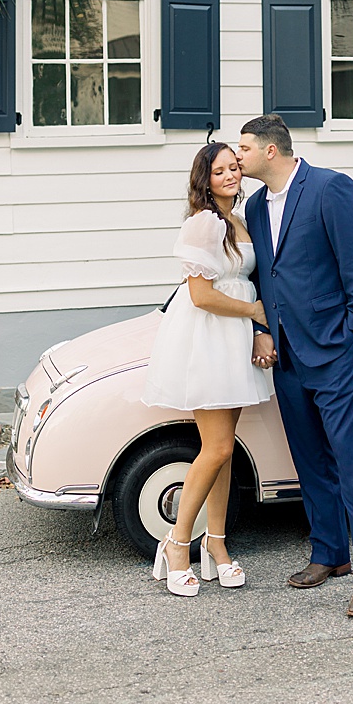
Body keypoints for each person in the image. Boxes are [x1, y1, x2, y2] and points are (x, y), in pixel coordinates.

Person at [236, 114, 353, 620]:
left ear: (270, 152)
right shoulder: (255, 205)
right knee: (310, 461)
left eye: (244, 148)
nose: (237, 157)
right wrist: (263, 330)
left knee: (352, 460)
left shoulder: (330, 188)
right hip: (285, 354)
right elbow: (266, 276)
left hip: (336, 349)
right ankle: (329, 554)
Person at [143, 141, 275, 596]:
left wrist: (257, 326)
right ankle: (177, 544)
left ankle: (216, 546)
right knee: (216, 449)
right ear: (205, 179)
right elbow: (199, 295)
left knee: (225, 449)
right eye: (219, 171)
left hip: (235, 338)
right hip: (209, 338)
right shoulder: (203, 223)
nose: (230, 175)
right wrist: (255, 313)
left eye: (234, 168)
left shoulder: (239, 219)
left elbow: (246, 278)